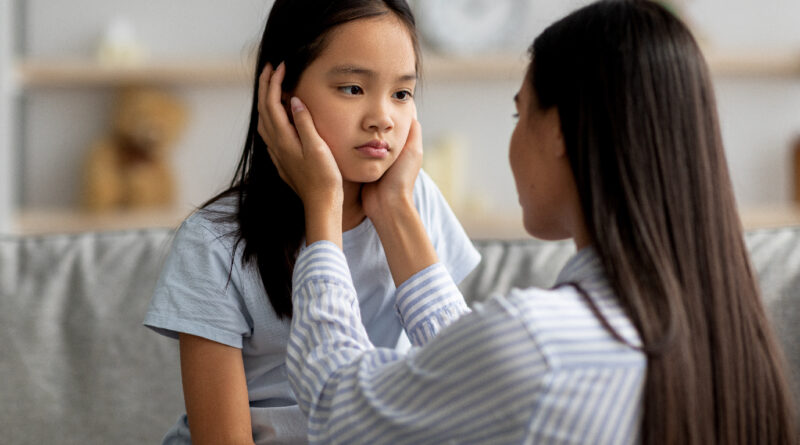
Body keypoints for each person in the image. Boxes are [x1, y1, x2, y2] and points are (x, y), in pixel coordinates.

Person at [261, 0, 799, 443]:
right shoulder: (727, 339)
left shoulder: (537, 339)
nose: (385, 114)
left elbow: (339, 411)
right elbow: (476, 375)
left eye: (521, 114)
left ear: (560, 130)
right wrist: (395, 210)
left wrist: (322, 210)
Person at [143, 1, 481, 443]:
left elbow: (468, 386)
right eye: (352, 88)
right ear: (283, 95)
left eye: (401, 94)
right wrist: (323, 200)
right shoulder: (214, 241)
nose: (382, 117)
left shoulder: (418, 204)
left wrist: (396, 207)